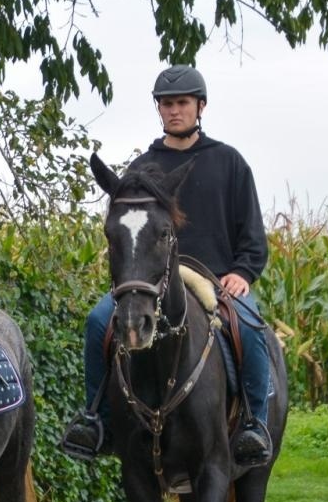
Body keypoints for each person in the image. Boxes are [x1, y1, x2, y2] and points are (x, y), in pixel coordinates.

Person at [59, 65, 273, 468]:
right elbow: (125, 232)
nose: (174, 111)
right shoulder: (141, 169)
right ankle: (96, 421)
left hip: (214, 278)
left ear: (200, 106)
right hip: (152, 281)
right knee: (96, 323)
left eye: (182, 103)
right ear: (159, 109)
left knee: (249, 325)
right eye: (167, 104)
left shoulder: (229, 162)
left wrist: (243, 272)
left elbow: (253, 234)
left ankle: (253, 425)